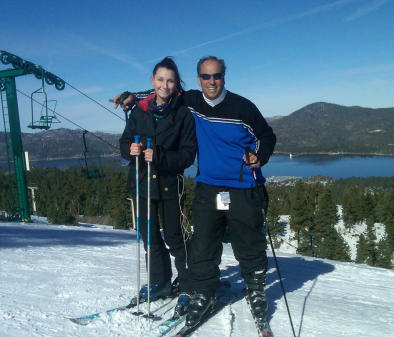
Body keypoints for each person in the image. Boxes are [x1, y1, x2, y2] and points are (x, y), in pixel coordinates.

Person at [114, 56, 276, 331]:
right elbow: (161, 92)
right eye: (205, 76)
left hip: (243, 185)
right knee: (203, 244)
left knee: (248, 241)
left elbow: (267, 135)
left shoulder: (243, 107)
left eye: (216, 76)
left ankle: (256, 289)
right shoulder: (192, 100)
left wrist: (259, 156)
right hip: (208, 185)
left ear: (224, 76)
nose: (211, 82)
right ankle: (204, 290)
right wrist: (132, 96)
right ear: (199, 78)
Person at [118, 57, 196, 318]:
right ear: (152, 81)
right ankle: (160, 281)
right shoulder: (139, 110)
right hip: (141, 182)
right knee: (149, 237)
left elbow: (187, 155)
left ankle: (188, 285)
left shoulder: (183, 112)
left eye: (170, 80)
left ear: (176, 83)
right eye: (160, 79)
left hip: (168, 184)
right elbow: (125, 142)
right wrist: (130, 150)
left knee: (175, 237)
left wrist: (160, 157)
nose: (165, 85)